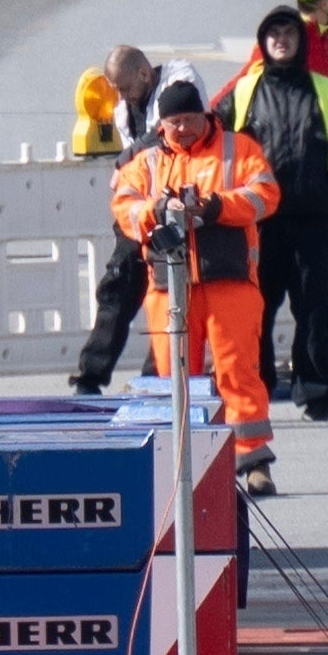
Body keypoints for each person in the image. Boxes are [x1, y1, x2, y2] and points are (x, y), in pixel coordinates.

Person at [105, 70, 282, 484]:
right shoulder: (145, 161)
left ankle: (253, 461)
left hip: (231, 282)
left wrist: (215, 207)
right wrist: (158, 210)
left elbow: (266, 195)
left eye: (190, 119)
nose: (183, 128)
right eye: (174, 122)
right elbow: (124, 209)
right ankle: (187, 471)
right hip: (170, 287)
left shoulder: (238, 149)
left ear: (205, 116)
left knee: (238, 372)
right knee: (175, 380)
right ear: (161, 125)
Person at [225, 0, 328, 423]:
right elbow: (207, 138)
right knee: (255, 310)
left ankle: (319, 396)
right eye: (273, 34)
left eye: (288, 32)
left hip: (314, 220)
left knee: (315, 309)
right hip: (260, 223)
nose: (281, 40)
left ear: (300, 40)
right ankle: (252, 397)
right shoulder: (244, 92)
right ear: (263, 41)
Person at [68, 36, 166, 395]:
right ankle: (90, 376)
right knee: (117, 289)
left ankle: (156, 377)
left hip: (171, 213)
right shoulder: (125, 109)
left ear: (144, 74)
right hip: (139, 213)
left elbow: (168, 131)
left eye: (125, 88)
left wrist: (128, 157)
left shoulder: (175, 82)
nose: (122, 98)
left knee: (167, 297)